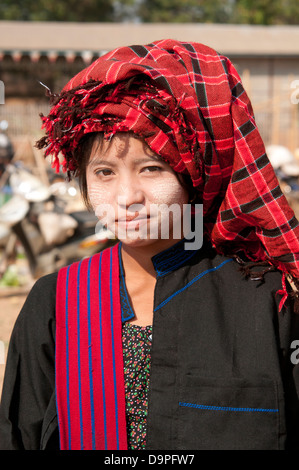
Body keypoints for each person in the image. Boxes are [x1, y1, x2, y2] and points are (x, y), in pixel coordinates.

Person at [1, 39, 299, 451]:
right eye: (104, 172)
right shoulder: (56, 301)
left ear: (196, 174)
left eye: (151, 168)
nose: (127, 197)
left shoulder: (267, 300)